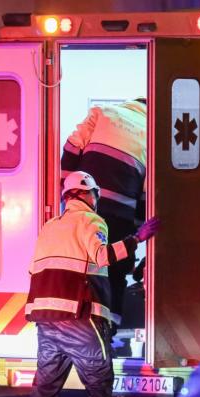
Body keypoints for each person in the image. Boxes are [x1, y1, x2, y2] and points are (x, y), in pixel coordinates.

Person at [20, 170, 159, 397]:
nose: (98, 200)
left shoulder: (49, 226)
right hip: (77, 317)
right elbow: (101, 256)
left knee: (45, 387)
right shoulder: (92, 222)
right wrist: (137, 239)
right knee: (99, 384)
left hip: (45, 319)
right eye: (96, 194)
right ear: (85, 194)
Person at [60, 98, 147, 332]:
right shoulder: (153, 131)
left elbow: (71, 146)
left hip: (86, 204)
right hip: (120, 212)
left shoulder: (103, 112)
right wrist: (136, 228)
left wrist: (67, 191)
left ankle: (77, 324)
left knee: (82, 264)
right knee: (116, 271)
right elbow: (145, 193)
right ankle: (108, 330)